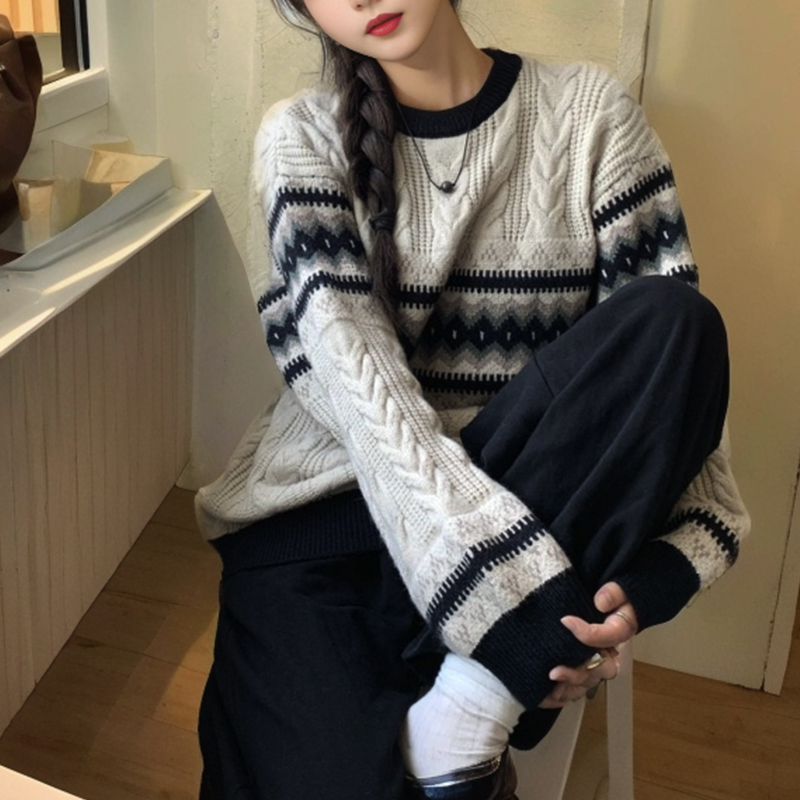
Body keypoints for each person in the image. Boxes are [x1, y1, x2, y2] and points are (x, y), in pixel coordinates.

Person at [195, 1, 750, 798]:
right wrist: (508, 608)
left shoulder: (591, 116)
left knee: (676, 323)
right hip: (329, 528)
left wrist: (659, 569)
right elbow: (360, 397)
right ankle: (469, 708)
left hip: (521, 500)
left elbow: (675, 386)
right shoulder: (301, 139)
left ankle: (468, 704)